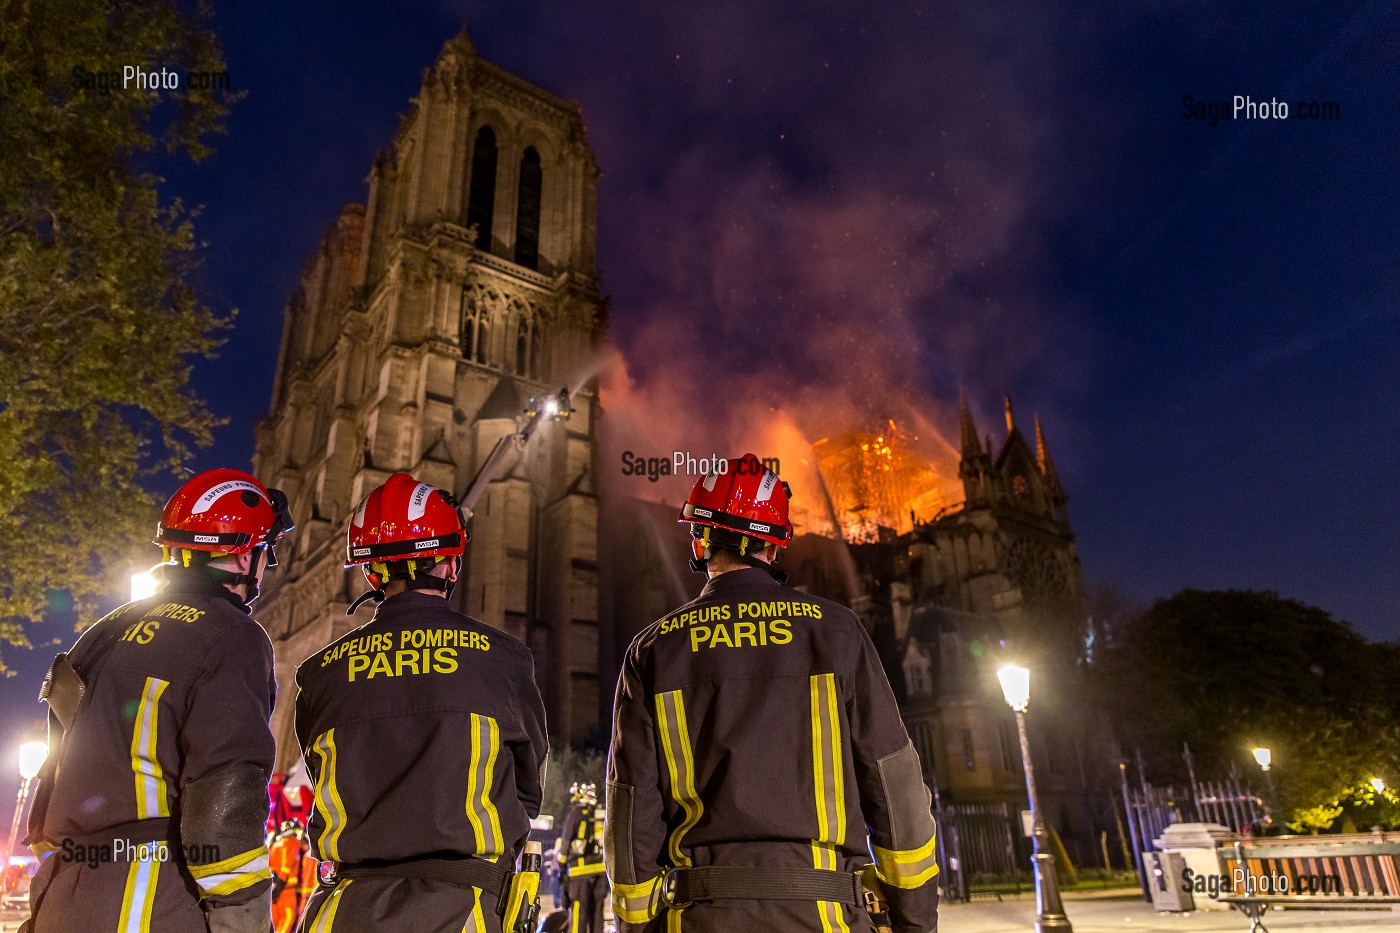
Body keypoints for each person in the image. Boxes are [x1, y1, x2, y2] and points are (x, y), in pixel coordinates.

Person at [605, 454, 940, 933]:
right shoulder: (836, 632)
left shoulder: (654, 649)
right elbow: (895, 789)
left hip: (700, 920)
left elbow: (631, 807)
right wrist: (915, 924)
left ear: (700, 539)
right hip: (824, 918)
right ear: (775, 544)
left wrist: (637, 926)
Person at [24, 468, 294, 932]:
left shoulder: (103, 631)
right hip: (152, 901)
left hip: (64, 894)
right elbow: (225, 793)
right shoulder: (232, 636)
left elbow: (52, 776)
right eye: (264, 553)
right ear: (244, 554)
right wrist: (244, 920)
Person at [294, 472, 548, 932]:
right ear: (450, 564)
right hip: (462, 912)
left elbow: (320, 776)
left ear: (372, 572)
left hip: (341, 912)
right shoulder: (503, 659)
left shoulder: (320, 672)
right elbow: (527, 792)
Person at [558, 782, 608, 933]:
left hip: (579, 872)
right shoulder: (600, 813)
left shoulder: (575, 813)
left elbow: (566, 842)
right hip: (600, 871)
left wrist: (561, 868)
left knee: (579, 912)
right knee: (597, 912)